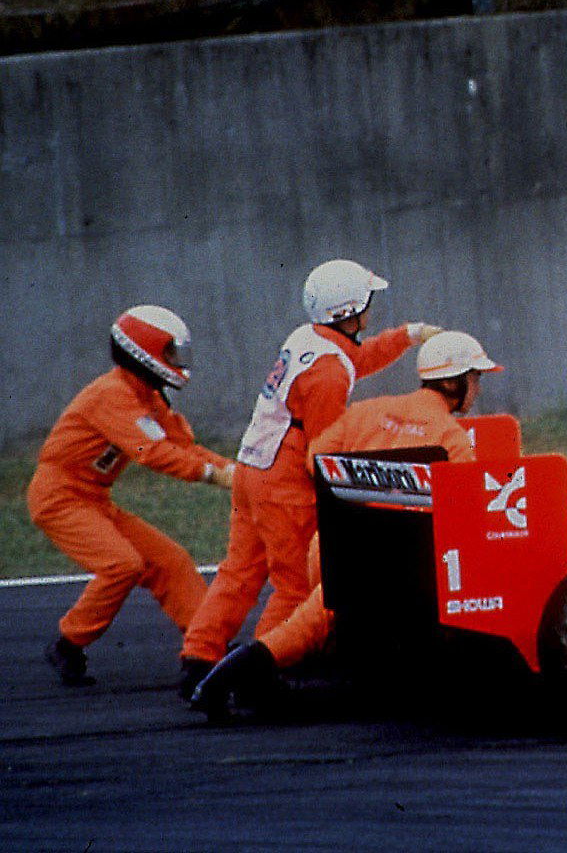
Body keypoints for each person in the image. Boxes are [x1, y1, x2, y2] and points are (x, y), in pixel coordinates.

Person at [188, 332, 497, 714]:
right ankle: (224, 683)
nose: (477, 388)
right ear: (453, 383)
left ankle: (248, 670)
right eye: (475, 378)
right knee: (306, 629)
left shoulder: (368, 411)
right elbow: (468, 514)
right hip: (391, 571)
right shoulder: (451, 437)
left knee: (313, 620)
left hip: (330, 550)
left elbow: (315, 458)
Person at [179, 259, 438, 698]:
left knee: (240, 571)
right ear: (350, 311)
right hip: (283, 482)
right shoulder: (328, 374)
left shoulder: (309, 339)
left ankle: (199, 657)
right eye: (367, 304)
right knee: (296, 584)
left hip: (252, 468)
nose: (371, 311)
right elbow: (323, 451)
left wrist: (408, 336)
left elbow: (360, 358)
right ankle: (260, 673)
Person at [30, 306, 235, 686]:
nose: (177, 361)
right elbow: (152, 452)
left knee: (171, 561)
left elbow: (183, 446)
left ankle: (208, 645)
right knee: (122, 565)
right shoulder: (112, 395)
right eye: (171, 352)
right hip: (58, 498)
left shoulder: (148, 397)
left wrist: (236, 471)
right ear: (145, 352)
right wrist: (212, 475)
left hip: (93, 499)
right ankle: (68, 643)